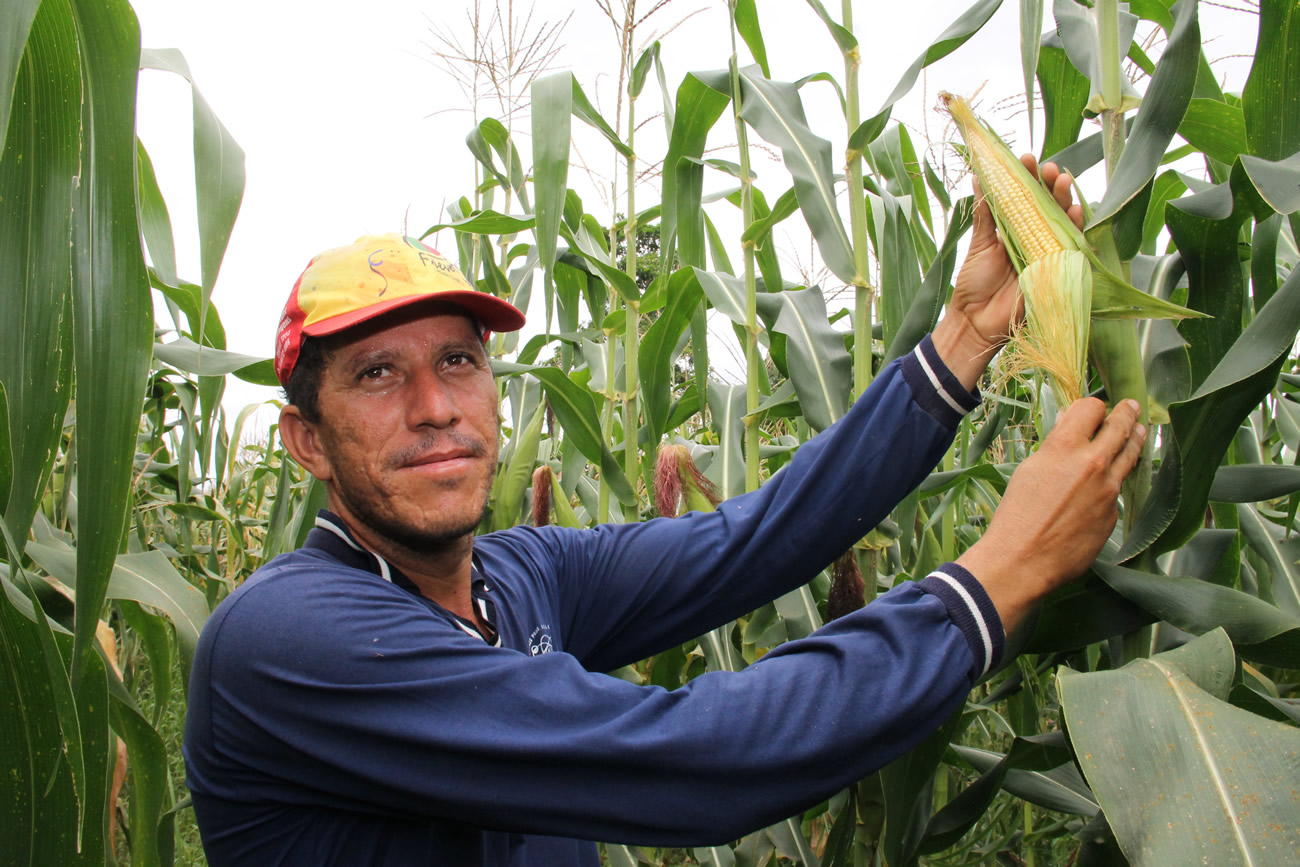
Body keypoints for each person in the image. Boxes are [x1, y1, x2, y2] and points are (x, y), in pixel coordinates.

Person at [184, 160, 1145, 866]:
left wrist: (966, 338)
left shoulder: (520, 577)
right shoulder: (290, 640)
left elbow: (760, 537)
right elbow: (691, 759)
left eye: (458, 360)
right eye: (378, 373)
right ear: (306, 439)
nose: (434, 405)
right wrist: (1000, 576)